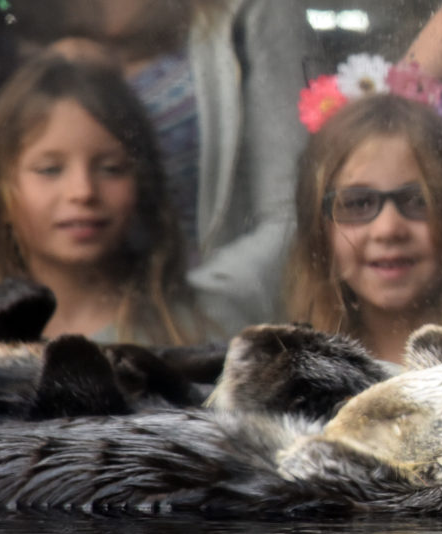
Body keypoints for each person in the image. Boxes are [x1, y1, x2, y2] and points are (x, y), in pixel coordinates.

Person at [19, 0, 325, 325]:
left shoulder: (247, 12)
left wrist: (187, 315)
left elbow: (294, 213)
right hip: (57, 317)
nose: (81, 190)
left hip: (201, 321)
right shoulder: (21, 15)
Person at [0, 55, 206, 345]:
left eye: (110, 169)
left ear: (141, 184)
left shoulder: (189, 330)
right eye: (50, 170)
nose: (83, 192)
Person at [286, 92, 442, 367]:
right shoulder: (297, 373)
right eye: (358, 203)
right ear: (319, 229)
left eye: (418, 200)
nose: (388, 229)